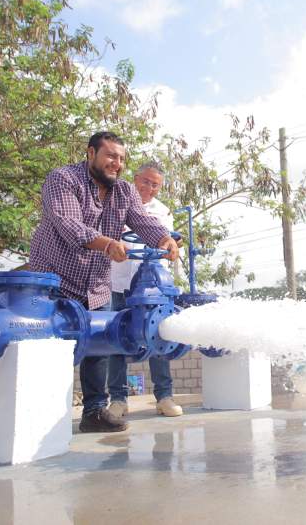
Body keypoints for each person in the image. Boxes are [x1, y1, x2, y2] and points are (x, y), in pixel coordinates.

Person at [29, 132, 179, 433]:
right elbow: (68, 224)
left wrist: (164, 237)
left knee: (98, 344)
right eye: (111, 156)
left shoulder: (124, 191)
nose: (117, 163)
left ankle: (94, 412)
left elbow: (142, 219)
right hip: (54, 278)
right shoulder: (63, 179)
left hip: (95, 282)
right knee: (45, 345)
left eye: (121, 158)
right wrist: (108, 244)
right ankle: (36, 416)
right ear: (90, 153)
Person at [107, 162, 184, 419]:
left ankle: (164, 397)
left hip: (151, 285)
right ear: (135, 179)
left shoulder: (162, 211)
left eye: (155, 184)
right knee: (115, 338)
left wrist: (172, 246)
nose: (149, 188)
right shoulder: (114, 200)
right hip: (117, 282)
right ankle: (118, 400)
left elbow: (166, 241)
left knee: (158, 335)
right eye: (146, 181)